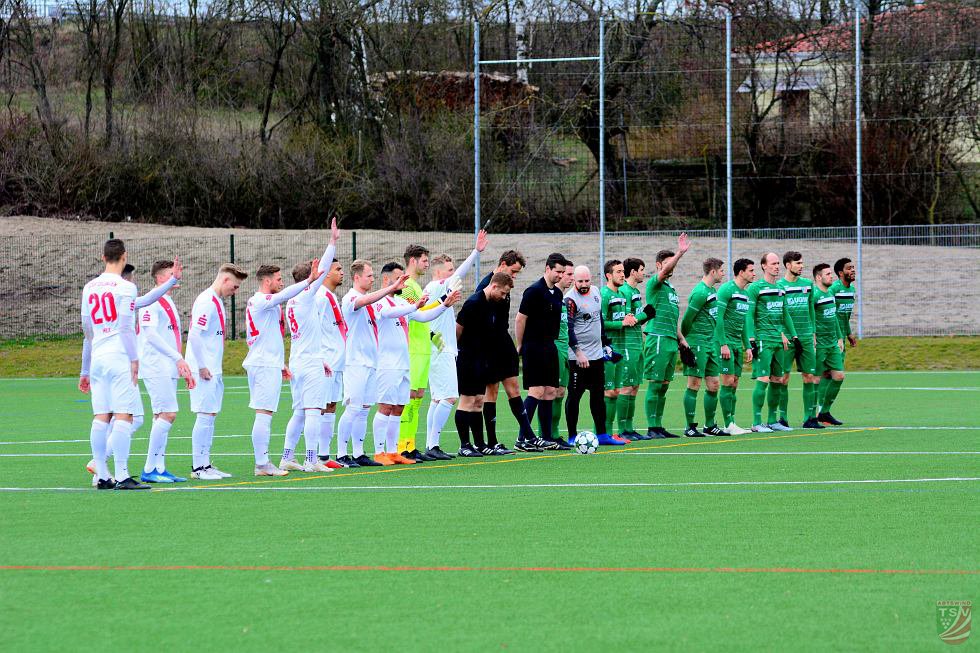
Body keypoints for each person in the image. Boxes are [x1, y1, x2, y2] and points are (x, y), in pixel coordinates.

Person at [243, 257, 324, 477]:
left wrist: (281, 363)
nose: (281, 282)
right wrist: (309, 280)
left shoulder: (266, 303)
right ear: (267, 281)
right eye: (278, 279)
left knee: (267, 413)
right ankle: (262, 464)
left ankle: (275, 460)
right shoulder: (261, 300)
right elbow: (286, 294)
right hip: (262, 364)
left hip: (268, 362)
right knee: (264, 414)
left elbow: (267, 335)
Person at [373, 262, 457, 465]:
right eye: (400, 278)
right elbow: (389, 314)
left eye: (405, 277)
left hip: (404, 362)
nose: (405, 281)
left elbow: (423, 316)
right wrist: (414, 306)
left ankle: (394, 452)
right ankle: (378, 452)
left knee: (399, 407)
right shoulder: (381, 302)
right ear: (386, 280)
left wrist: (444, 305)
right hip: (387, 363)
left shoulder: (401, 304)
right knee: (385, 407)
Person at [79, 239, 146, 490]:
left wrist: (86, 367)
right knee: (124, 415)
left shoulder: (89, 287)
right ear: (124, 256)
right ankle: (122, 473)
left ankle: (103, 475)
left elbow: (87, 328)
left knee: (101, 416)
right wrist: (134, 358)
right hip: (119, 356)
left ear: (103, 257)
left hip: (98, 356)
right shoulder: (126, 287)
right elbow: (127, 326)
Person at [421, 230, 494, 458]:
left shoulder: (436, 289)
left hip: (438, 347)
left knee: (437, 398)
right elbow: (460, 274)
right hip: (441, 348)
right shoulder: (437, 286)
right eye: (450, 270)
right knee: (450, 397)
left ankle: (431, 444)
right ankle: (433, 445)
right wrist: (475, 252)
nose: (454, 274)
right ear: (439, 271)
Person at [279, 219, 340, 473]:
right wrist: (332, 243)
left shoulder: (292, 300)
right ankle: (311, 459)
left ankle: (287, 456)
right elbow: (324, 270)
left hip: (300, 359)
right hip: (308, 363)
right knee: (314, 410)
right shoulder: (305, 296)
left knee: (300, 412)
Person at [336, 259, 408, 468]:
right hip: (356, 362)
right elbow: (365, 302)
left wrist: (410, 305)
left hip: (371, 362)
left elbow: (387, 312)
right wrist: (390, 289)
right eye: (369, 275)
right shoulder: (351, 298)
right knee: (353, 408)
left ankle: (358, 453)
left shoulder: (372, 302)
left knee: (365, 409)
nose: (372, 279)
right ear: (357, 277)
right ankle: (342, 453)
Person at [475, 251, 547, 452]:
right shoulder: (487, 286)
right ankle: (491, 442)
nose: (514, 276)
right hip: (489, 345)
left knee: (514, 388)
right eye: (513, 271)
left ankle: (528, 437)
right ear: (503, 264)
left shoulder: (504, 285)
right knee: (492, 391)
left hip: (503, 342)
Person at [135, 258, 196, 483]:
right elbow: (150, 336)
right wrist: (177, 358)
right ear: (160, 278)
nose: (177, 276)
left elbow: (170, 337)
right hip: (155, 365)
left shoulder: (167, 301)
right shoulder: (152, 301)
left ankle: (159, 468)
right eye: (172, 273)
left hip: (167, 366)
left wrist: (179, 363)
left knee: (161, 415)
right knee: (168, 414)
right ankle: (149, 468)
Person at [185, 263, 248, 480]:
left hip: (213, 368)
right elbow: (194, 335)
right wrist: (201, 365)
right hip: (204, 369)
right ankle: (198, 468)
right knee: (204, 415)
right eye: (236, 286)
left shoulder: (217, 302)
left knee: (210, 416)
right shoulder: (206, 301)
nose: (235, 291)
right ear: (225, 280)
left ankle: (205, 463)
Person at [516, 253, 572, 451]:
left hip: (550, 345)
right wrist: (520, 345)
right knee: (537, 391)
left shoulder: (557, 294)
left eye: (563, 272)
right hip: (534, 346)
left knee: (550, 391)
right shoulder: (533, 291)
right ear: (547, 269)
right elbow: (520, 319)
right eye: (558, 271)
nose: (560, 275)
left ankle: (546, 438)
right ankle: (523, 438)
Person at [454, 273, 514, 456]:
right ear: (494, 286)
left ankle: (480, 444)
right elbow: (458, 329)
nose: (504, 297)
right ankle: (464, 445)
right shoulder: (473, 303)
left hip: (483, 359)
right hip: (467, 358)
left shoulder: (494, 304)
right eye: (503, 293)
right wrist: (460, 353)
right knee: (467, 401)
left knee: (479, 401)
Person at [642, 233, 691, 439]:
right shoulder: (655, 283)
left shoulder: (671, 289)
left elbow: (672, 317)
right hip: (658, 338)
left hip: (670, 339)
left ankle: (658, 425)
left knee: (664, 385)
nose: (672, 266)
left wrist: (681, 338)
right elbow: (665, 272)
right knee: (655, 383)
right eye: (668, 263)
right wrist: (679, 253)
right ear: (659, 265)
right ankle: (652, 427)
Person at [564, 265, 618, 446]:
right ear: (574, 281)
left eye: (587, 280)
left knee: (597, 395)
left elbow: (599, 319)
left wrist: (606, 344)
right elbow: (569, 329)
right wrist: (579, 353)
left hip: (596, 357)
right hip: (578, 359)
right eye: (580, 281)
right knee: (574, 396)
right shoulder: (570, 300)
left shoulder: (595, 292)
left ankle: (602, 434)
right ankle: (572, 436)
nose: (584, 284)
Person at [745, 252, 798, 433]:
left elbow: (785, 314)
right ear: (764, 266)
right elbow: (749, 315)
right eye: (773, 263)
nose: (777, 266)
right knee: (763, 379)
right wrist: (751, 339)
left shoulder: (781, 288)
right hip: (763, 340)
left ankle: (772, 420)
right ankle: (756, 422)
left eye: (778, 263)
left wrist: (794, 335)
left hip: (778, 340)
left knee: (778, 379)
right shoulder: (756, 288)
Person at [680, 257, 725, 437]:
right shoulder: (699, 292)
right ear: (713, 271)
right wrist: (684, 342)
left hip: (710, 343)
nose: (723, 273)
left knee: (714, 384)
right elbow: (687, 320)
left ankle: (709, 425)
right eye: (721, 270)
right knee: (694, 384)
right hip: (697, 342)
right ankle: (690, 427)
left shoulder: (712, 290)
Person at [777, 251, 822, 429]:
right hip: (787, 338)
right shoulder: (779, 285)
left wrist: (813, 332)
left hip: (806, 336)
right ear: (788, 265)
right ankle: (782, 418)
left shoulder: (808, 284)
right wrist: (781, 333)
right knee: (783, 378)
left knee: (809, 376)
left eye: (802, 263)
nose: (801, 266)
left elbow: (811, 308)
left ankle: (809, 418)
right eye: (798, 263)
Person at [713, 258, 756, 435]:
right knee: (727, 382)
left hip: (737, 344)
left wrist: (747, 346)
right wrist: (723, 344)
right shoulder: (726, 289)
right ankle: (728, 424)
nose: (754, 274)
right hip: (725, 343)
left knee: (735, 383)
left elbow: (744, 321)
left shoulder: (745, 294)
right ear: (741, 272)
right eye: (751, 270)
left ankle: (732, 421)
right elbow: (718, 318)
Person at [397, 244, 432, 458]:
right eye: (424, 260)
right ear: (413, 260)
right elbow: (419, 315)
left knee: (418, 397)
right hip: (413, 350)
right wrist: (444, 302)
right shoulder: (407, 286)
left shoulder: (418, 286)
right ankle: (401, 446)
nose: (427, 264)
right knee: (409, 397)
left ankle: (410, 444)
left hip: (424, 349)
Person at [315, 255, 347, 467]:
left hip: (337, 360)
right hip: (326, 360)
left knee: (331, 405)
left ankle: (325, 456)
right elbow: (314, 327)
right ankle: (314, 455)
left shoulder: (331, 296)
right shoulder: (320, 297)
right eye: (338, 269)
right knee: (319, 407)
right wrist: (319, 357)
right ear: (326, 272)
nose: (341, 272)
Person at [538, 261, 574, 442]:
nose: (570, 278)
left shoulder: (562, 298)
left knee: (560, 393)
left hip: (564, 350)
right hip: (554, 349)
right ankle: (544, 434)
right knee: (549, 392)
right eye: (567, 274)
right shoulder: (547, 296)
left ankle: (554, 433)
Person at [618, 258, 652, 440]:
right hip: (627, 344)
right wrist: (646, 314)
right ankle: (623, 428)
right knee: (626, 387)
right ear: (632, 272)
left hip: (638, 343)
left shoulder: (635, 291)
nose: (643, 273)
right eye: (641, 269)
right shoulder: (623, 291)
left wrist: (645, 316)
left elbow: (637, 319)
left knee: (635, 386)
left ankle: (630, 428)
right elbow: (628, 319)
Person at [600, 259, 633, 442]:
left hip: (621, 347)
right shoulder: (604, 295)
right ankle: (605, 433)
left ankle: (611, 433)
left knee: (616, 391)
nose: (622, 274)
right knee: (609, 392)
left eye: (623, 271)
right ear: (608, 275)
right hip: (608, 349)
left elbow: (624, 318)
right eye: (619, 271)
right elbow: (601, 323)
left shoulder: (621, 294)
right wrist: (621, 323)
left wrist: (627, 318)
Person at [822, 257, 856, 425]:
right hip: (830, 338)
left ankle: (823, 412)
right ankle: (820, 411)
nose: (853, 270)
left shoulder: (851, 290)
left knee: (832, 374)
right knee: (830, 373)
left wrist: (848, 334)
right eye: (849, 268)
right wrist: (836, 336)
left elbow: (844, 316)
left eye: (853, 267)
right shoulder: (834, 289)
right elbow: (830, 314)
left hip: (841, 337)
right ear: (841, 273)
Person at [812, 263, 846, 425]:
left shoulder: (830, 293)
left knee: (839, 376)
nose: (831, 276)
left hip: (832, 343)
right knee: (815, 380)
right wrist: (812, 337)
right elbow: (809, 317)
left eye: (831, 274)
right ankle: (811, 415)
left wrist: (840, 338)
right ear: (819, 277)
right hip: (819, 344)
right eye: (827, 274)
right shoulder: (815, 295)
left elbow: (834, 318)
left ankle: (824, 412)